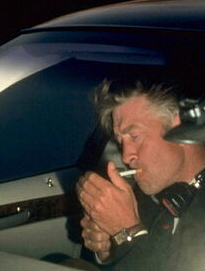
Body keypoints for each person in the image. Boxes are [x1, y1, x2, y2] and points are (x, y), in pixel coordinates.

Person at [76, 79, 205, 270]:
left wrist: (128, 232)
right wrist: (108, 249)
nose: (126, 156)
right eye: (121, 142)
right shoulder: (146, 194)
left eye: (134, 136)